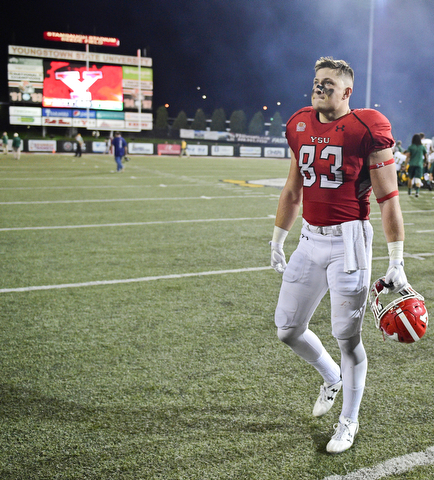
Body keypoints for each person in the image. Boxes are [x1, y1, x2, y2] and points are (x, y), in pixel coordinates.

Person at [270, 57, 407, 454]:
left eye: (328, 84)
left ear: (347, 92)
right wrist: (278, 239)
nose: (318, 88)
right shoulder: (298, 122)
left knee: (347, 338)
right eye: (316, 81)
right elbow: (293, 189)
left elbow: (387, 198)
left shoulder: (366, 127)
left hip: (349, 242)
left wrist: (396, 260)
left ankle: (349, 420)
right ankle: (331, 376)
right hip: (310, 239)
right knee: (287, 329)